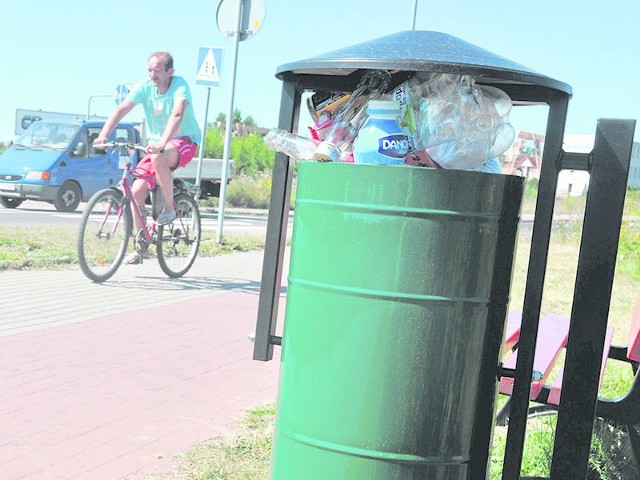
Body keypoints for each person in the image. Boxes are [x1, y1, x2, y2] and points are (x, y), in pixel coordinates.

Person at [94, 51, 201, 264]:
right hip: (155, 147)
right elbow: (122, 109)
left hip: (183, 141)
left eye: (158, 70)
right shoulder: (144, 87)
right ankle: (142, 247)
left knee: (157, 157)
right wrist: (103, 134)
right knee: (135, 193)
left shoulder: (180, 86)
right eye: (150, 70)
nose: (153, 74)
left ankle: (170, 208)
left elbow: (177, 114)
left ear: (170, 71)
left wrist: (162, 141)